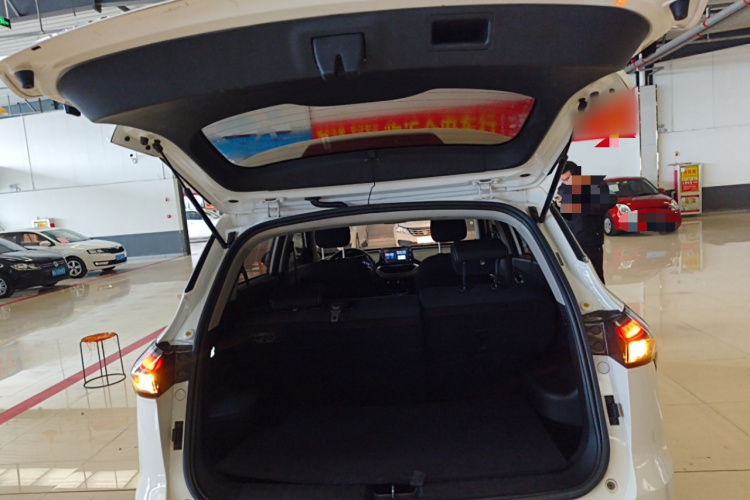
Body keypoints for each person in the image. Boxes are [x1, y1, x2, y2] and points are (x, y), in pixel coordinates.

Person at [555, 161, 613, 283]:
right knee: (577, 278)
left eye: (567, 179)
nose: (565, 183)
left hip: (590, 240)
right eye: (562, 180)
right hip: (571, 240)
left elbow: (603, 206)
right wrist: (559, 205)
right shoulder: (562, 188)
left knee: (595, 276)